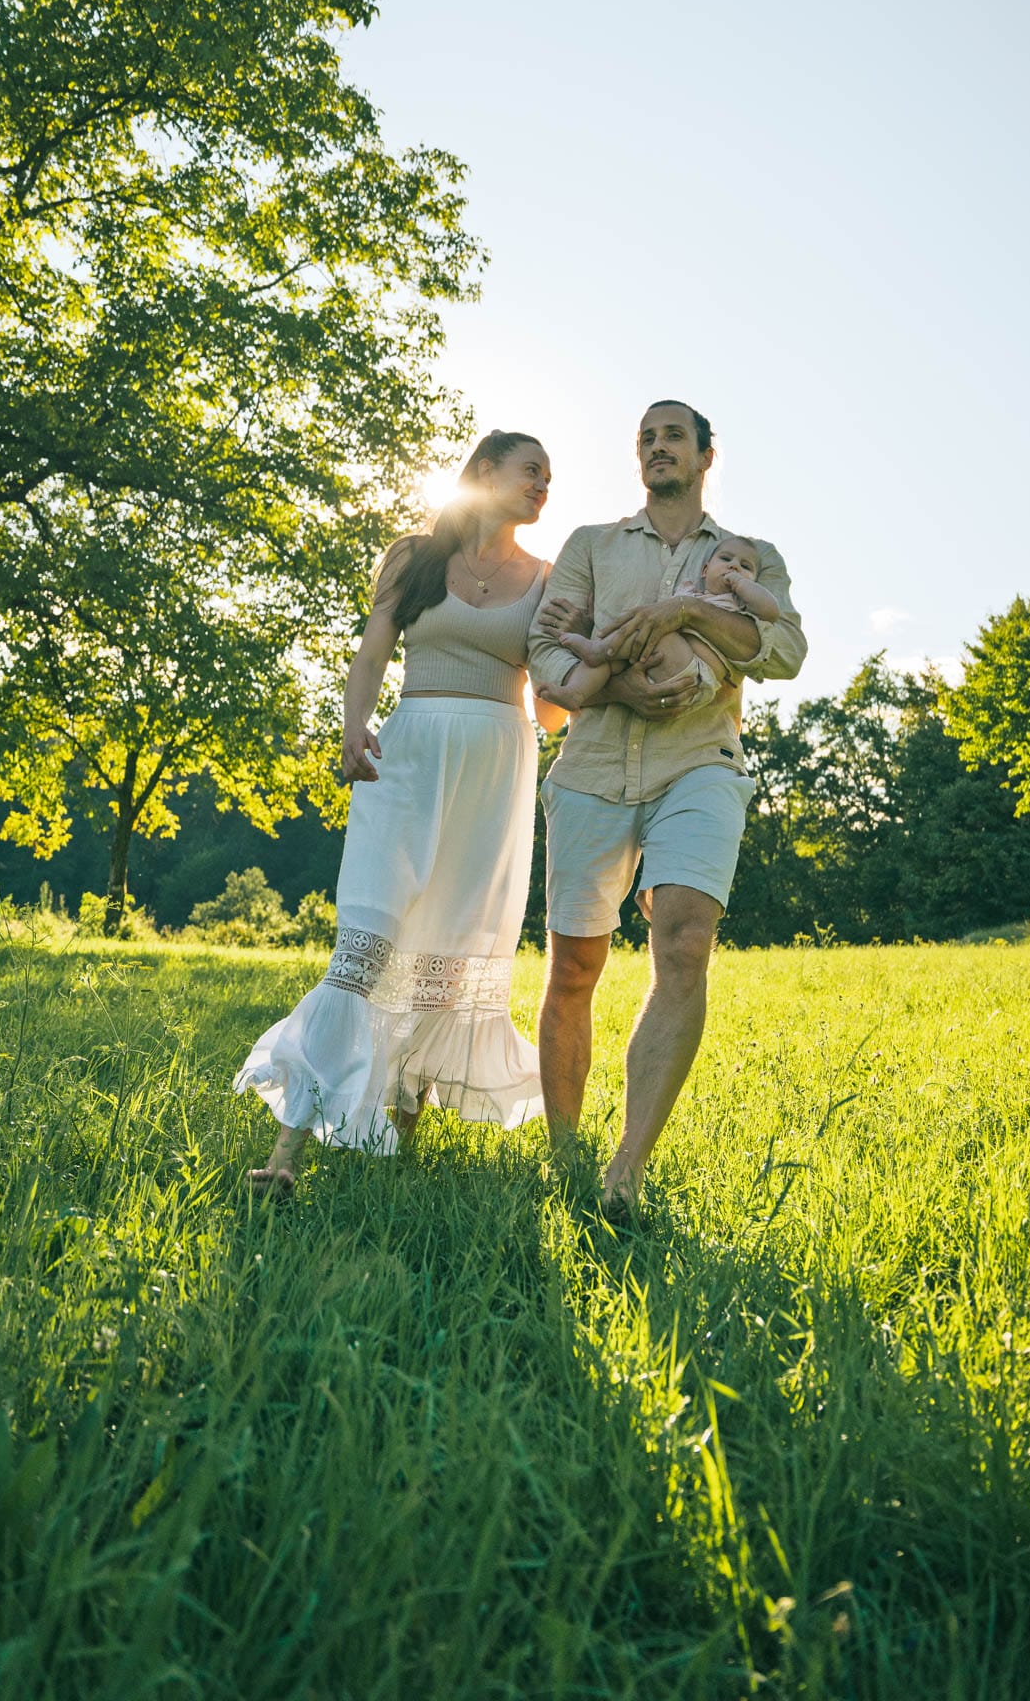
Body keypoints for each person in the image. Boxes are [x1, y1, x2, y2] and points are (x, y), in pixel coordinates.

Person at [235, 430, 563, 1193]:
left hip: (494, 770)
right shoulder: (414, 558)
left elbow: (549, 709)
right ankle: (285, 1156)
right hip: (407, 759)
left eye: (551, 479)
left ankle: (398, 1158)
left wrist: (603, 677)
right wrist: (353, 723)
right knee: (366, 946)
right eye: (531, 472)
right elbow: (374, 649)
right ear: (485, 472)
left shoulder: (548, 581)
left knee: (445, 961)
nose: (543, 486)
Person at [528, 400, 806, 1215]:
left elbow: (784, 649)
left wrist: (687, 611)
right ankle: (565, 1156)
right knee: (574, 965)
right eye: (645, 437)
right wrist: (622, 683)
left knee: (684, 936)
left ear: (706, 455)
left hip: (701, 764)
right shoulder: (588, 546)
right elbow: (545, 649)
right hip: (592, 767)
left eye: (672, 435)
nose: (656, 447)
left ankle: (626, 1174)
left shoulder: (749, 557)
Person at [535, 534, 780, 714]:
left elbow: (770, 611)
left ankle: (598, 648)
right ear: (705, 570)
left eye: (745, 566)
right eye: (726, 559)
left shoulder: (738, 603)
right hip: (661, 660)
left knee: (654, 631)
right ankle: (576, 692)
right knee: (619, 656)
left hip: (695, 674)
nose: (734, 565)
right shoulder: (690, 591)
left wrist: (741, 584)